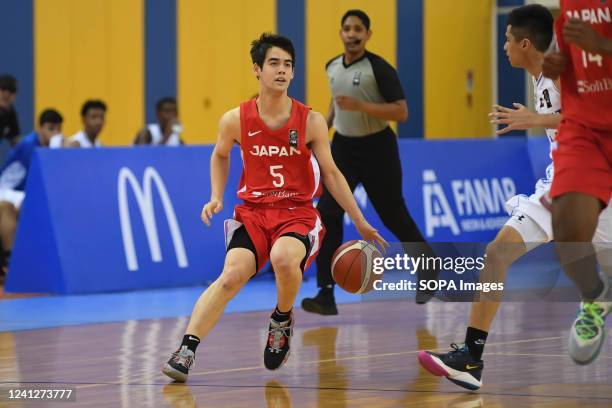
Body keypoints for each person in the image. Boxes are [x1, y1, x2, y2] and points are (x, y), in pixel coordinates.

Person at [161, 33, 387, 383]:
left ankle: (281, 319)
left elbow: (331, 173)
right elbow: (220, 154)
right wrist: (216, 196)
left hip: (297, 214)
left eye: (288, 65)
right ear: (257, 69)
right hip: (252, 213)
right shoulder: (234, 119)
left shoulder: (310, 121)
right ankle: (186, 350)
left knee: (284, 258)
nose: (282, 71)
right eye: (274, 64)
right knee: (231, 277)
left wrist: (359, 220)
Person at [418, 4, 612, 391]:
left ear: (525, 43)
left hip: (598, 185)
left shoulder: (567, 70)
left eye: (507, 38)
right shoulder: (541, 80)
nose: (503, 45)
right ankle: (471, 358)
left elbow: (585, 113)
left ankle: (595, 302)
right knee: (497, 252)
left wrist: (533, 120)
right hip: (558, 183)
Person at [301, 9, 436, 315]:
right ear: (340, 33)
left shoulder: (380, 69)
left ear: (368, 34)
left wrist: (361, 105)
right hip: (344, 149)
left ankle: (428, 266)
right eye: (347, 28)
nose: (352, 34)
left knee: (393, 215)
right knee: (328, 213)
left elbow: (401, 112)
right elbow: (336, 104)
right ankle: (325, 292)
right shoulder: (332, 66)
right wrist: (324, 127)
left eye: (358, 29)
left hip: (378, 148)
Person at [542, 0, 612, 366]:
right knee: (567, 230)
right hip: (585, 127)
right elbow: (568, 52)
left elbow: (597, 45)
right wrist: (558, 63)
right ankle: (595, 297)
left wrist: (603, 46)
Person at [0, 109, 63, 278]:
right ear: (40, 128)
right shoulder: (27, 148)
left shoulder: (55, 149)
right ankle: (10, 263)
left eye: (58, 129)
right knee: (15, 209)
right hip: (9, 194)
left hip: (29, 197)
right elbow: (4, 185)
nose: (54, 133)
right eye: (50, 128)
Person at [0, 75, 20, 145]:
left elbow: (16, 143)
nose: (7, 94)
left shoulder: (10, 113)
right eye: (3, 89)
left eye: (11, 90)